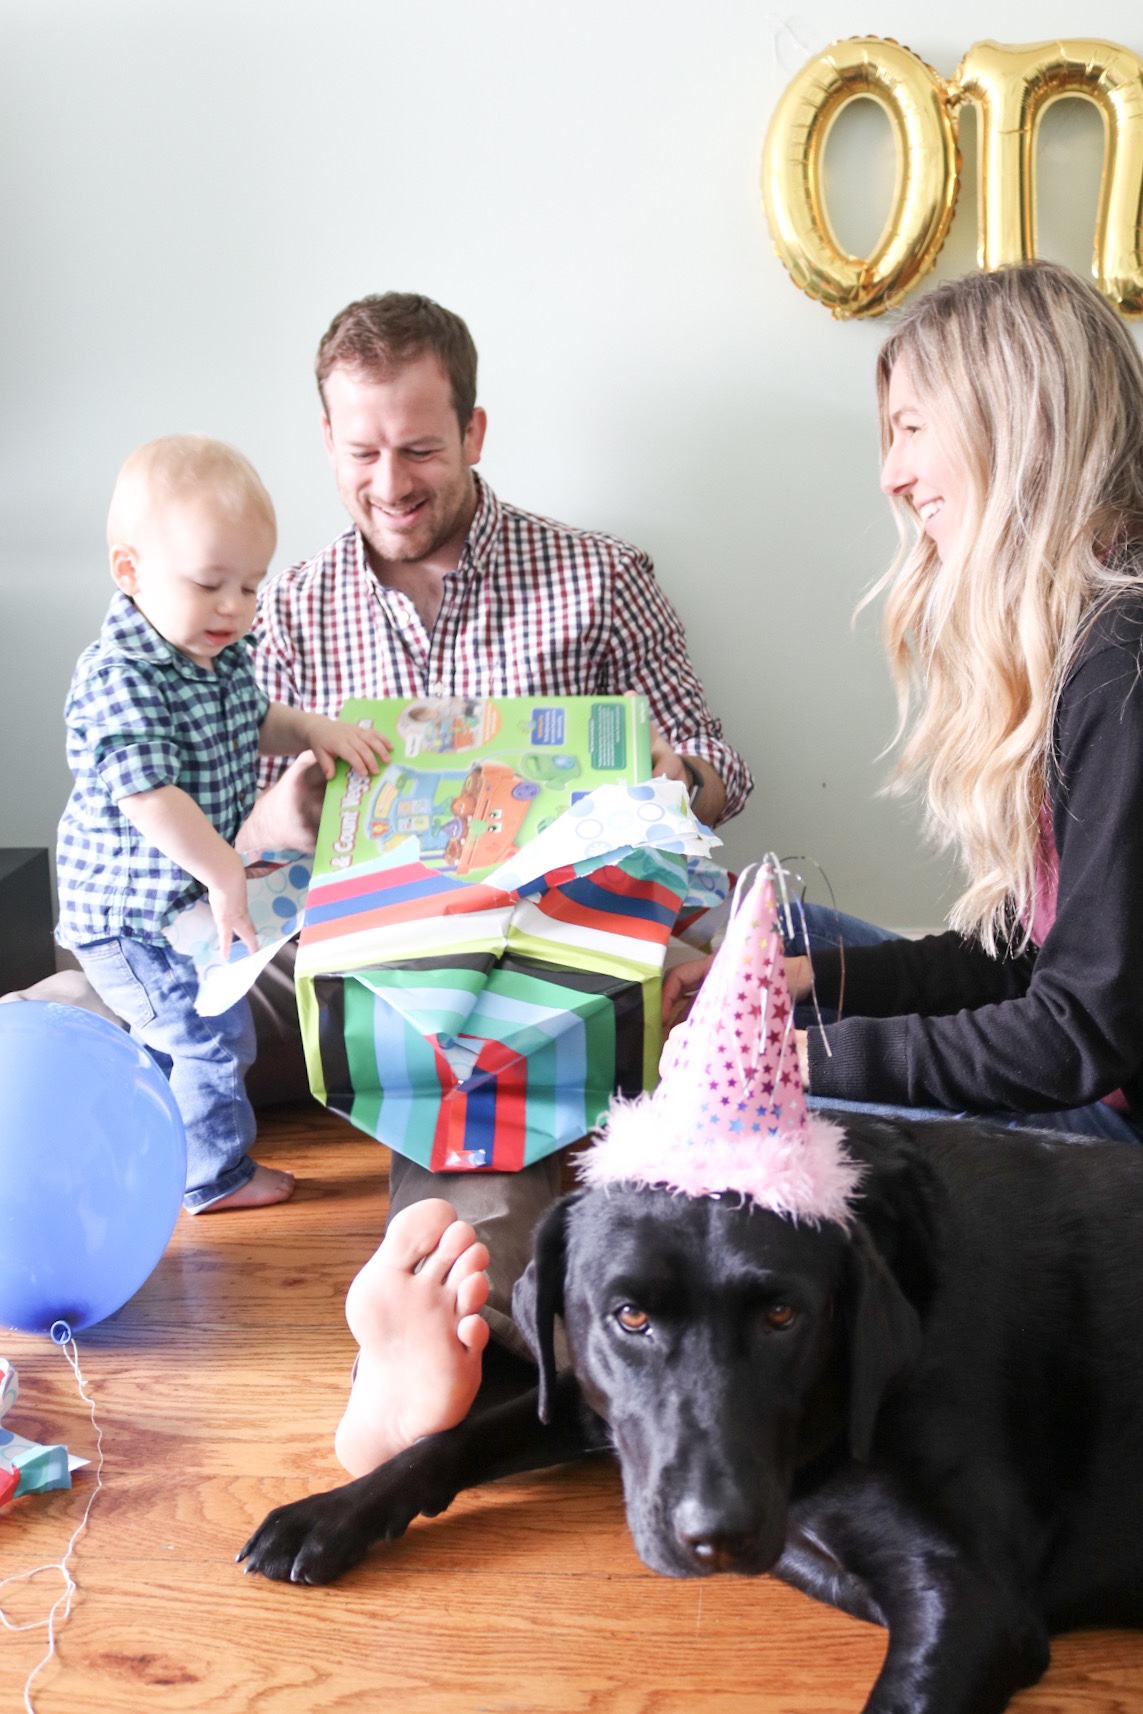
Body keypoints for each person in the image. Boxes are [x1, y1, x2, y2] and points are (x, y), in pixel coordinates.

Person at [236, 291, 752, 1474]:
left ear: (474, 430)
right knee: (116, 1002)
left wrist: (667, 779)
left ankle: (432, 1323)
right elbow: (233, 844)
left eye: (420, 448)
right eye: (362, 452)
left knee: (479, 1083)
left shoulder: (598, 578)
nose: (391, 482)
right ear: (327, 441)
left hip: (535, 960)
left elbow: (722, 768)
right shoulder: (288, 607)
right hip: (346, 947)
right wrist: (279, 815)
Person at [667, 259, 1143, 1148]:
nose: (892, 474)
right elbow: (1025, 956)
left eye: (912, 429)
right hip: (1082, 1064)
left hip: (1117, 1128)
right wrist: (810, 985)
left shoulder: (1122, 665)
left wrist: (805, 1062)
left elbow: (1076, 1033)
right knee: (779, 938)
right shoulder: (1084, 633)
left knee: (745, 1101)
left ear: (1014, 426)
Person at [55, 435, 388, 1213]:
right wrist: (223, 869)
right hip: (133, 919)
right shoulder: (120, 674)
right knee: (207, 1037)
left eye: (250, 585)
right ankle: (211, 1178)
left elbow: (254, 719)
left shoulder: (217, 651)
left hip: (181, 905)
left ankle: (149, 1136)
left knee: (192, 1031)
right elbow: (149, 794)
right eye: (210, 583)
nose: (235, 606)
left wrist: (313, 729)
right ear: (130, 571)